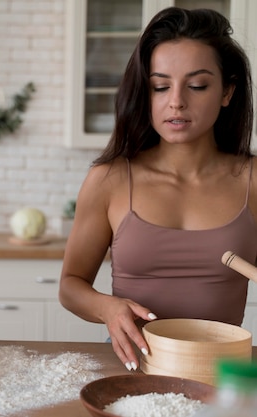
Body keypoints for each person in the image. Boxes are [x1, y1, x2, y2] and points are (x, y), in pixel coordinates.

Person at [59, 7, 256, 373]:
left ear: (227, 91)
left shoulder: (253, 180)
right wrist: (108, 307)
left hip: (221, 368)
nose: (176, 101)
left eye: (197, 85)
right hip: (133, 363)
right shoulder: (110, 179)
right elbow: (71, 285)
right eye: (160, 86)